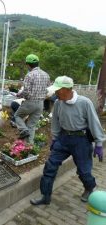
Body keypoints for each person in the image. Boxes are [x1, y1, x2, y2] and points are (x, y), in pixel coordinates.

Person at [30, 76, 105, 205]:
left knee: (84, 170)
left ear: (66, 89)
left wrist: (99, 143)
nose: (55, 93)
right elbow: (55, 122)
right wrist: (55, 139)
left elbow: (94, 123)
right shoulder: (59, 103)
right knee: (50, 166)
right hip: (63, 139)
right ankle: (45, 196)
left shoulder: (84, 103)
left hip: (81, 140)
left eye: (57, 90)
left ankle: (89, 188)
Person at [14, 54, 50, 143]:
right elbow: (48, 89)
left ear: (28, 64)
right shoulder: (46, 75)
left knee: (17, 116)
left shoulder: (29, 75)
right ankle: (29, 147)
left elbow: (26, 91)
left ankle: (23, 130)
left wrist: (19, 95)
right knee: (32, 126)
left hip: (30, 102)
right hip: (41, 103)